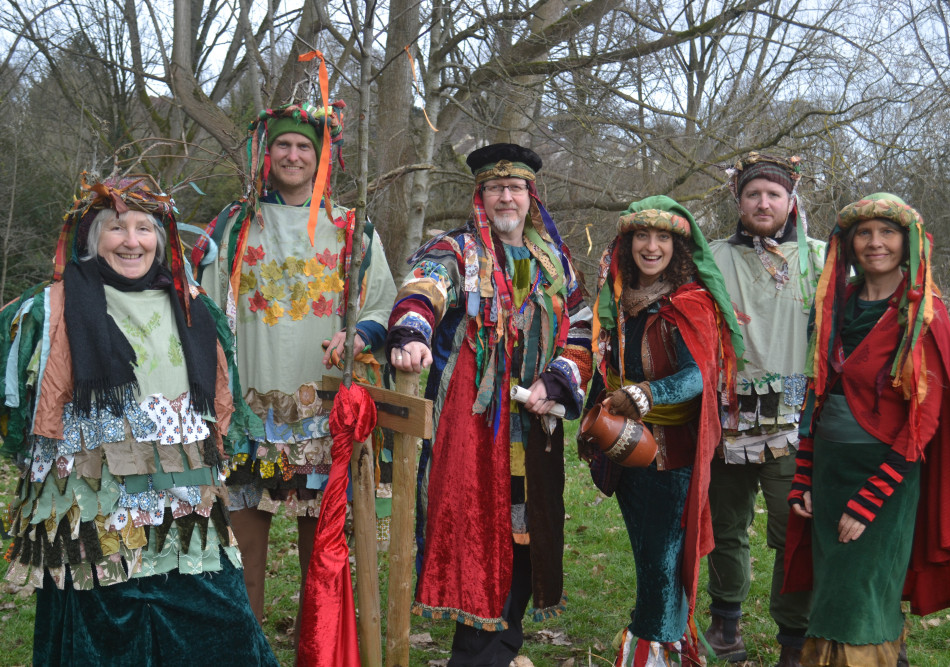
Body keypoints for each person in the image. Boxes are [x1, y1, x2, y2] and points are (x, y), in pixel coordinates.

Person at [0, 175, 277, 665]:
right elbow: (16, 413)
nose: (132, 241)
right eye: (116, 228)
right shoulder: (46, 310)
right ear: (91, 238)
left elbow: (220, 404)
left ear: (161, 238)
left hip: (186, 510)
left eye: (144, 228)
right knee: (102, 635)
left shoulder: (196, 308)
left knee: (221, 624)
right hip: (91, 511)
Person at [196, 102, 396, 643]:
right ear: (267, 153)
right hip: (247, 416)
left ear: (321, 157)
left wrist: (359, 336)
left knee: (323, 548)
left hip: (321, 414)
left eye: (304, 147)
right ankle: (246, 648)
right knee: (243, 548)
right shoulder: (236, 225)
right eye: (283, 145)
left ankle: (321, 647)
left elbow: (382, 307)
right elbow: (204, 308)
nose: (293, 155)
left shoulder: (352, 230)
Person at [387, 143, 593, 666]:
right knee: (473, 529)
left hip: (535, 422)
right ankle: (476, 652)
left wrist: (557, 379)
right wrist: (413, 332)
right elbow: (422, 289)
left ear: (530, 196)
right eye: (496, 188)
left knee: (528, 529)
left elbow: (585, 327)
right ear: (481, 196)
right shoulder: (457, 251)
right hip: (474, 426)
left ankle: (506, 642)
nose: (507, 196)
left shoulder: (553, 260)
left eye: (516, 188)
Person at [785, 193, 950, 665]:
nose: (875, 243)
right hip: (829, 472)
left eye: (888, 232)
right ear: (848, 242)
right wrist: (804, 474)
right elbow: (813, 395)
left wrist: (870, 500)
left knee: (860, 599)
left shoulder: (925, 313)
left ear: (909, 243)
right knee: (833, 593)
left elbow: (923, 422)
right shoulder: (832, 305)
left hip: (885, 476)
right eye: (864, 233)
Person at [581, 196, 743, 666]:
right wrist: (594, 418)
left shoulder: (691, 302)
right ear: (627, 243)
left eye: (662, 238)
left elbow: (699, 376)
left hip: (670, 458)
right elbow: (606, 362)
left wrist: (647, 395)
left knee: (660, 562)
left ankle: (655, 650)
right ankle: (669, 645)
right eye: (641, 237)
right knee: (652, 560)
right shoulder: (617, 299)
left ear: (679, 246)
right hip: (624, 449)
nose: (651, 247)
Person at [705, 152, 823, 666]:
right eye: (753, 194)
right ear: (739, 200)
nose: (763, 202)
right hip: (727, 419)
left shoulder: (822, 259)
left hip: (793, 424)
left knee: (792, 530)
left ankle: (793, 641)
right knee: (726, 527)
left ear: (790, 200)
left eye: (773, 194)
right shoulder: (710, 258)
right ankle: (725, 624)